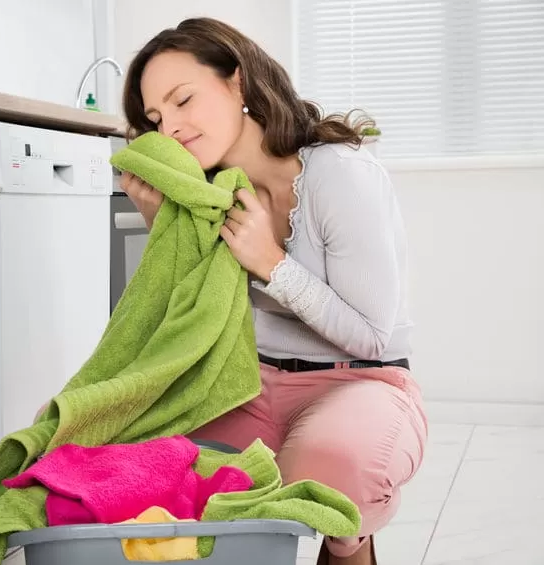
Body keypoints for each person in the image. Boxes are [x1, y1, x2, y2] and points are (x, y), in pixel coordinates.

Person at [118, 17, 428, 565]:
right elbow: (190, 325)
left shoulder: (339, 173)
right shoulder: (208, 194)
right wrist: (161, 228)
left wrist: (271, 263)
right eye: (157, 119)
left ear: (238, 83)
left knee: (326, 472)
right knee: (143, 461)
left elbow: (371, 338)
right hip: (248, 382)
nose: (173, 128)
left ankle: (347, 542)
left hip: (361, 382)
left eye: (184, 99)